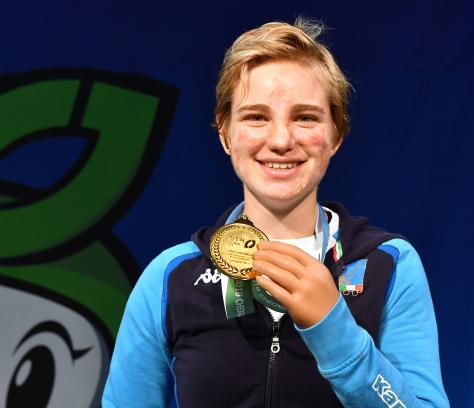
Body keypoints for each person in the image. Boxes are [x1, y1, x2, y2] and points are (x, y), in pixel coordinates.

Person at [103, 18, 449, 408]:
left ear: (336, 133)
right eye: (256, 117)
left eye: (305, 117)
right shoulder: (170, 277)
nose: (281, 140)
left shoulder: (389, 265)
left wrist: (332, 328)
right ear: (224, 133)